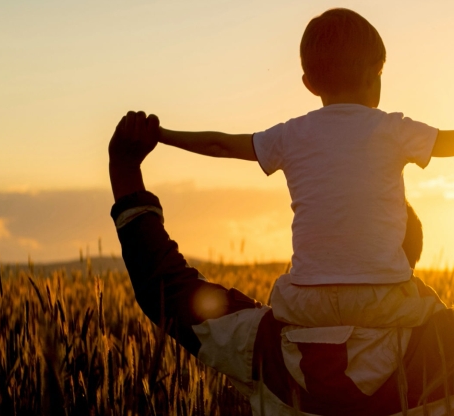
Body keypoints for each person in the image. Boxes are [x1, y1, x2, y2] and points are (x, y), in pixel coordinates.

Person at [109, 110, 454, 416]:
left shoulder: (262, 347)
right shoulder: (444, 346)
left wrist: (124, 170)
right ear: (405, 256)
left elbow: (166, 290)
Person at [157, 8, 454, 331]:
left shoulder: (290, 134)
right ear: (374, 75)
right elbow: (448, 144)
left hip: (306, 303)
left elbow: (221, 144)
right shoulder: (393, 128)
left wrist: (161, 134)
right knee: (434, 316)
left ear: (309, 84)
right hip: (381, 299)